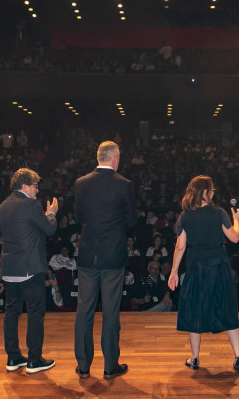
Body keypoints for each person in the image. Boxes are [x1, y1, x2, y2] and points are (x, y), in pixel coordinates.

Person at [73, 141, 138, 380]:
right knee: (111, 312)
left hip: (89, 254)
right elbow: (131, 220)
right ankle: (110, 366)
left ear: (98, 157)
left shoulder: (81, 183)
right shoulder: (124, 185)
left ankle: (83, 366)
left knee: (84, 311)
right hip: (113, 256)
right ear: (115, 159)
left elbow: (78, 216)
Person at [167, 175, 239, 372]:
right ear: (204, 192)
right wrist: (236, 221)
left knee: (195, 311)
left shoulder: (184, 216)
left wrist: (174, 272)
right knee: (227, 309)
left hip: (197, 269)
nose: (213, 193)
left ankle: (195, 358)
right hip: (220, 267)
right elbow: (234, 238)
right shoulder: (219, 212)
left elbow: (180, 247)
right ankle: (238, 357)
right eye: (211, 190)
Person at [0, 167, 58, 374]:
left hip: (9, 268)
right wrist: (50, 214)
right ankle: (34, 360)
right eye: (35, 186)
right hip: (29, 269)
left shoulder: (4, 205)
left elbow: (26, 228)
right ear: (24, 186)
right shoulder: (30, 205)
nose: (37, 191)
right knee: (35, 312)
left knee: (11, 311)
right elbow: (49, 229)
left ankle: (13, 357)